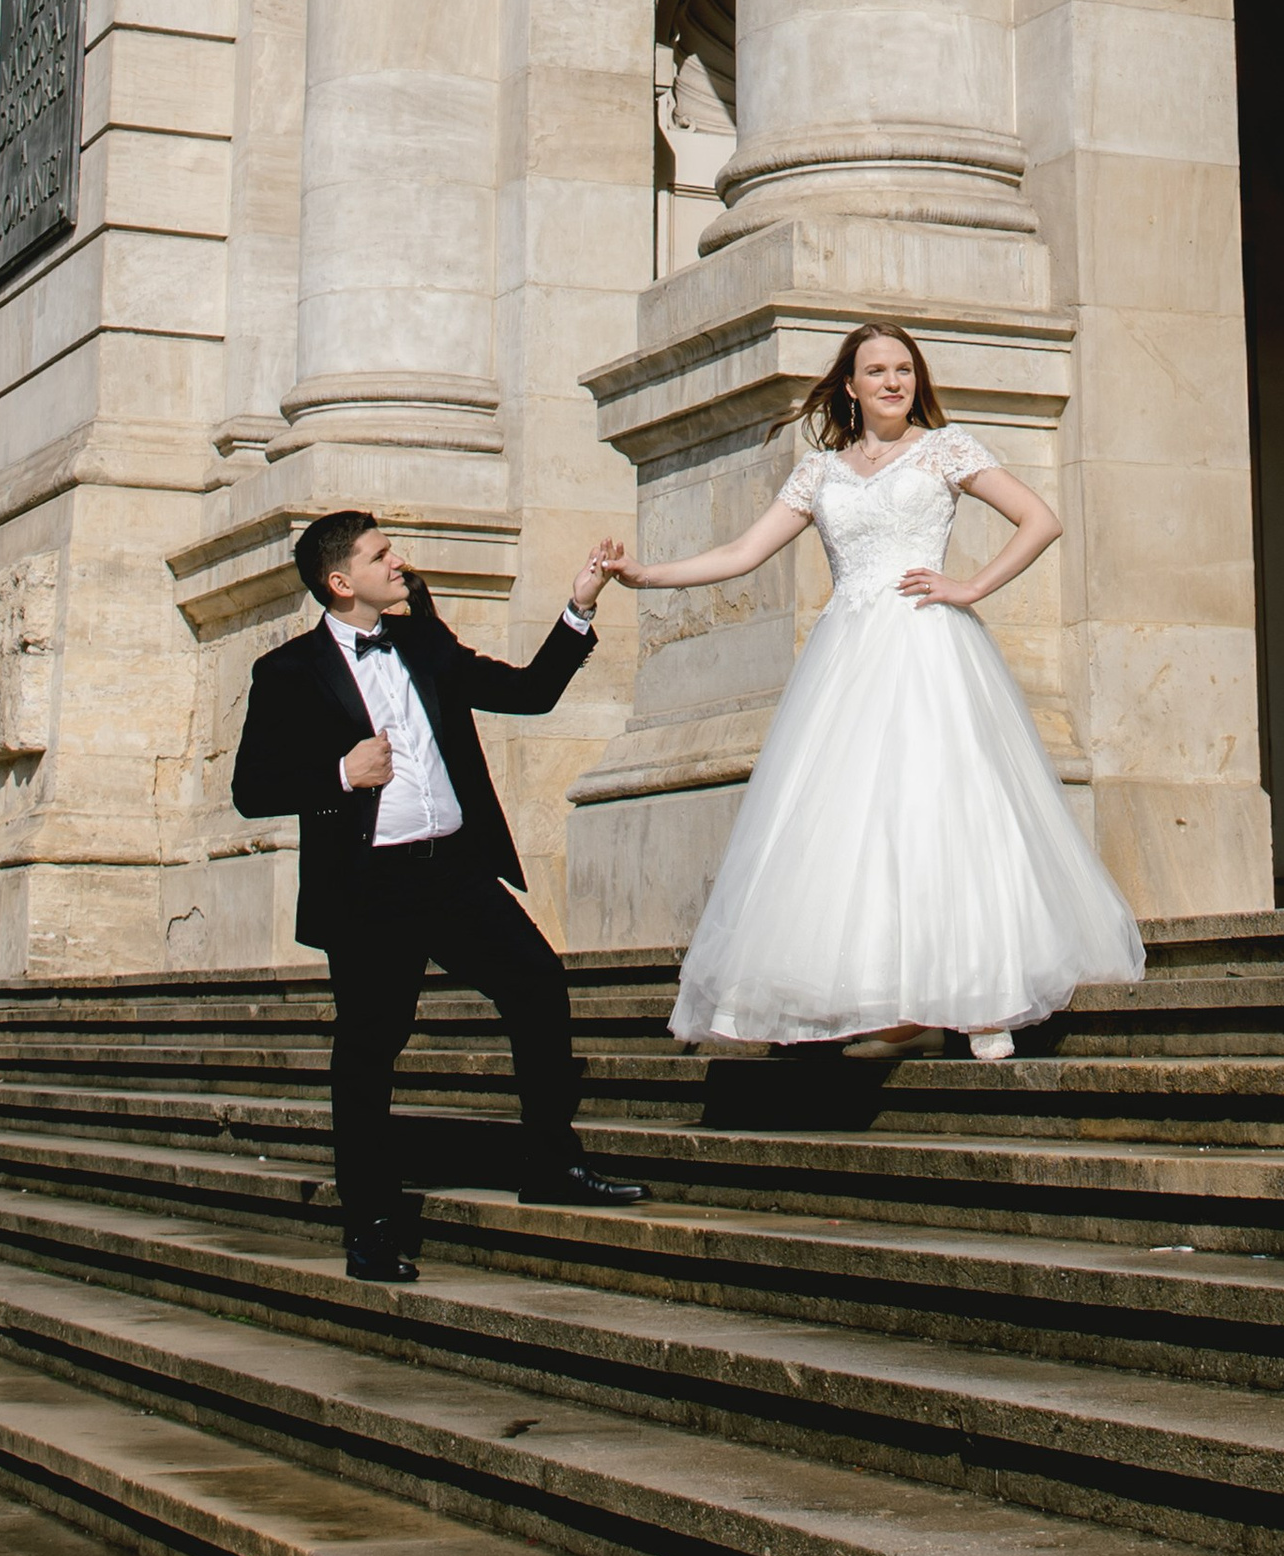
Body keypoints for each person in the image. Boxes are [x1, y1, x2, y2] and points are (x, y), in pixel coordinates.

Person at [605, 322, 1144, 1058]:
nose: (893, 381)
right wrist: (645, 575)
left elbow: (1039, 520)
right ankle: (872, 996)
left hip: (927, 645)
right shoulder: (820, 471)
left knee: (942, 806)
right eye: (877, 371)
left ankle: (977, 995)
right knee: (853, 818)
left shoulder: (947, 448)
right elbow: (742, 552)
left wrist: (970, 585)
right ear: (851, 387)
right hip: (846, 659)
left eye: (904, 369)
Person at [231, 512, 643, 1281]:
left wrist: (579, 606)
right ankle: (370, 1223)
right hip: (369, 886)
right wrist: (340, 774)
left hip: (454, 870)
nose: (399, 562)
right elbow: (252, 789)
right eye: (381, 555)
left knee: (537, 981)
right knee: (370, 1048)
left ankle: (551, 1164)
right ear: (341, 581)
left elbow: (528, 693)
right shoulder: (287, 671)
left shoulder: (422, 640)